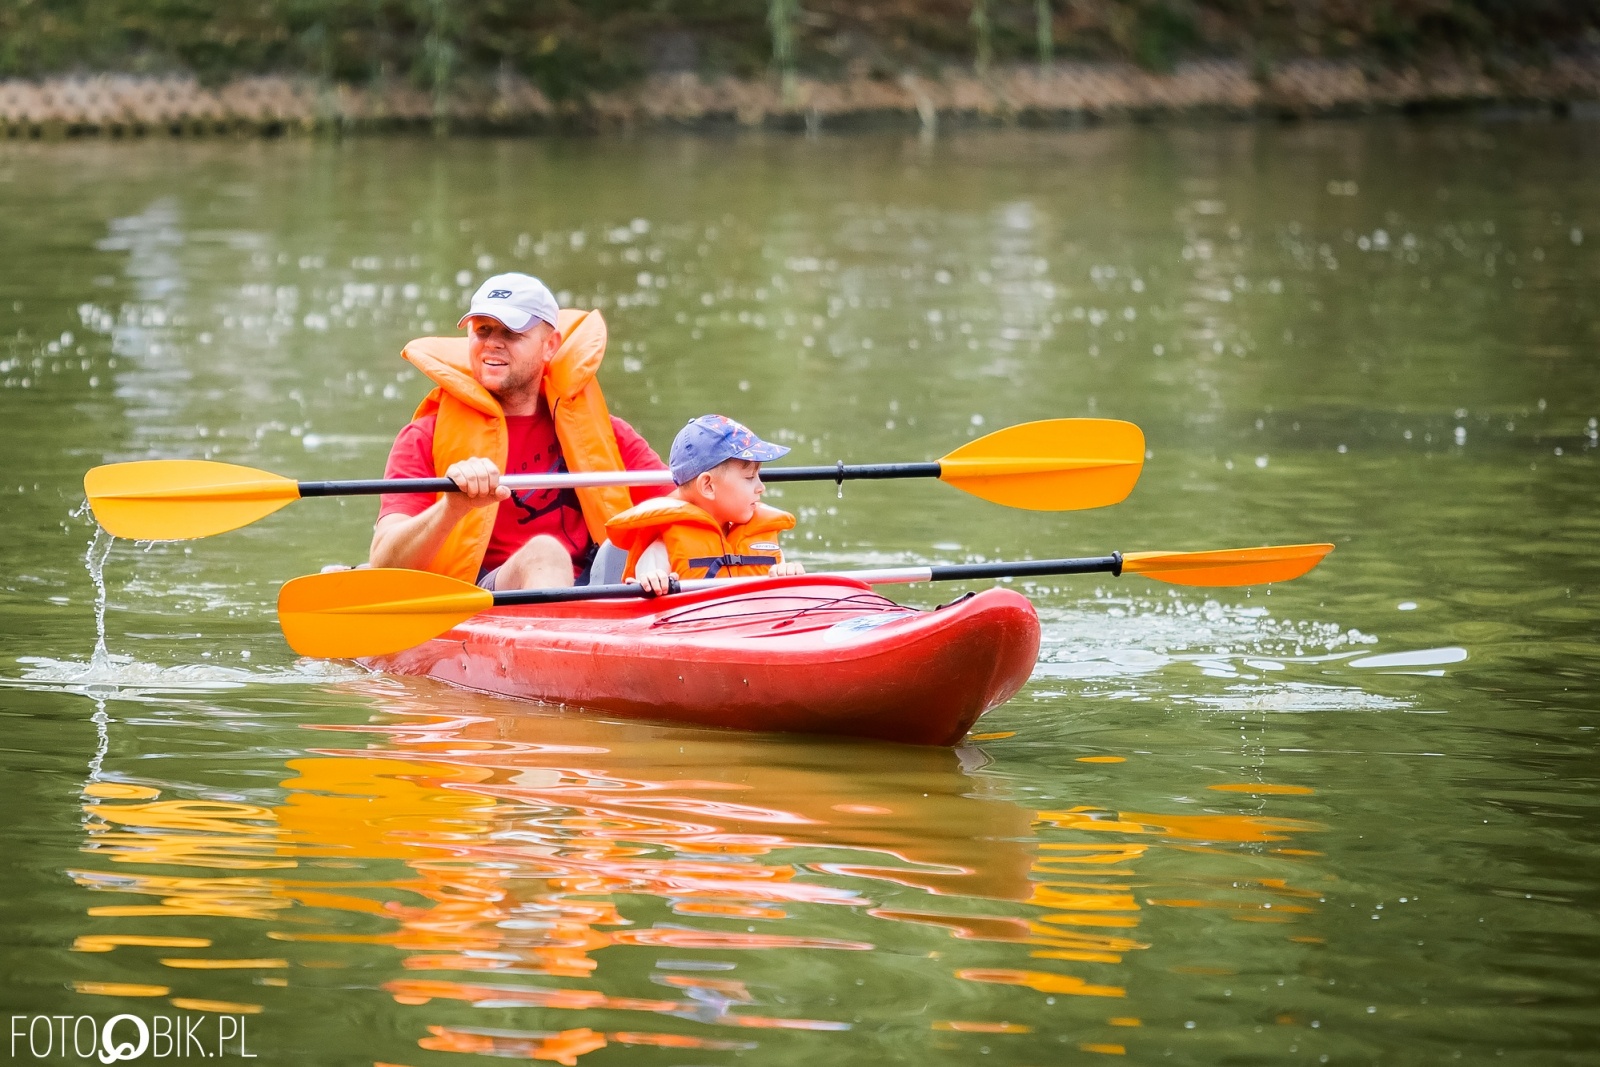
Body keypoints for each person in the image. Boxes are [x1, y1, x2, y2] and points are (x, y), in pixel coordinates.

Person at [370, 273, 670, 589]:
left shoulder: (607, 433)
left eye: (511, 333)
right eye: (482, 330)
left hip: (597, 592)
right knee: (545, 553)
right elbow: (385, 563)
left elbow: (684, 508)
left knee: (663, 537)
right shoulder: (421, 438)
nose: (493, 343)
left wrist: (654, 559)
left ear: (550, 345)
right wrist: (451, 507)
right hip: (481, 597)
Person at [605, 415, 806, 595]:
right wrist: (653, 582)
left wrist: (788, 574)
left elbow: (783, 600)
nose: (761, 487)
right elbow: (640, 609)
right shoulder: (661, 551)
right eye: (749, 477)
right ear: (708, 486)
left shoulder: (766, 546)